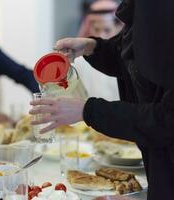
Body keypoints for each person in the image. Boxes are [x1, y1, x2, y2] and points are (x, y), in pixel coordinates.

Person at [30, 0, 174, 199]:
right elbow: (133, 55)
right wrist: (93, 47)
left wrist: (87, 110)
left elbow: (164, 120)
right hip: (157, 160)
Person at [76, 0, 123, 101]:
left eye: (107, 30)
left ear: (119, 28)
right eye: (97, 29)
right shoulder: (78, 62)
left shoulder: (126, 61)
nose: (101, 36)